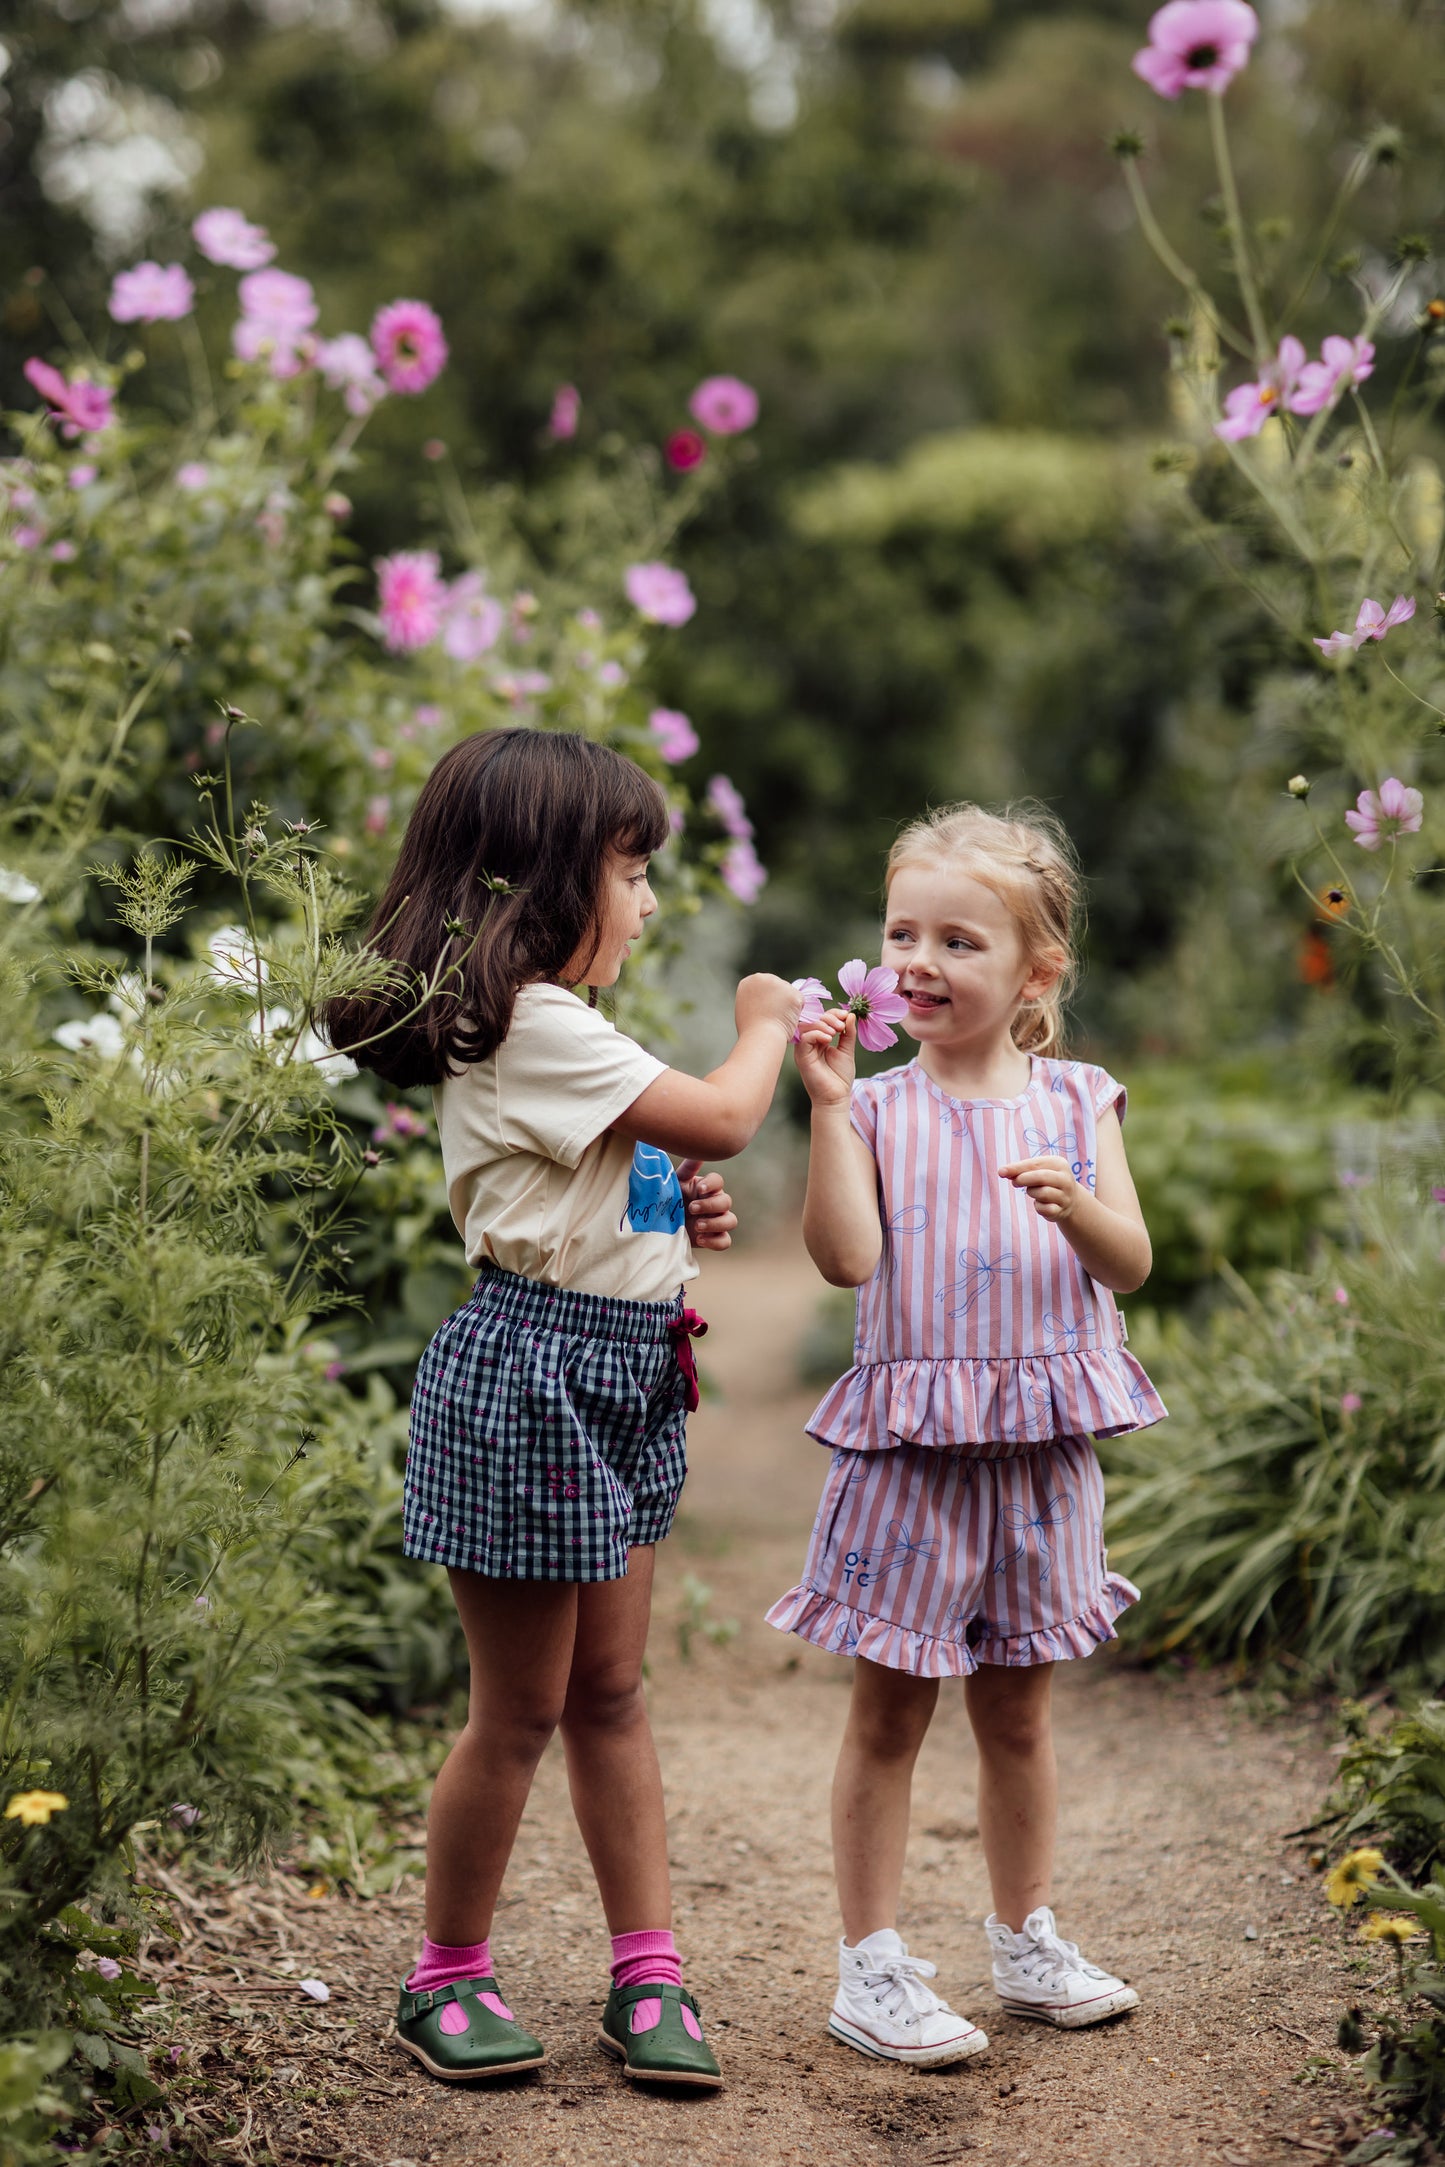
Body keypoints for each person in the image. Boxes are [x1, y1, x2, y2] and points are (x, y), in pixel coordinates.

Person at [328, 728, 802, 2091]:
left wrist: (670, 1204)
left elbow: (640, 1165)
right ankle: (447, 1974)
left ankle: (647, 1966)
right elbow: (716, 1113)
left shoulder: (564, 1027)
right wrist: (762, 1026)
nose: (649, 903)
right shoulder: (533, 1019)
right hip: (536, 1375)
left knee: (611, 1688)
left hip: (625, 1364)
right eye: (631, 872)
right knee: (522, 1707)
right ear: (543, 880)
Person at [767, 802, 1166, 2067]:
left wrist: (1075, 1210)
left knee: (1018, 1716)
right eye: (901, 934)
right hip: (912, 1454)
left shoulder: (1077, 1099)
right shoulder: (877, 1108)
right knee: (889, 1716)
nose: (919, 961)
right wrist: (826, 1105)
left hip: (1043, 1449)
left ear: (1035, 970)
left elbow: (1134, 1260)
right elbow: (844, 1260)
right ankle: (868, 1966)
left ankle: (1022, 1937)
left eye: (958, 939)